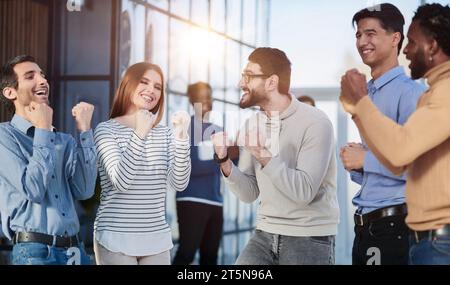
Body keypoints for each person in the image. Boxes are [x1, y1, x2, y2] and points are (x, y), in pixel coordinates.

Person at [340, 3, 450, 265]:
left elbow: (411, 161)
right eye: (358, 35)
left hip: (395, 226)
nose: (362, 41)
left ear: (395, 39)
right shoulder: (369, 93)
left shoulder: (412, 93)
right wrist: (357, 164)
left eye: (370, 33)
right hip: (369, 225)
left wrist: (364, 159)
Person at [211, 47, 339, 265]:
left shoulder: (316, 123)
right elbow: (250, 192)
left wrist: (263, 154)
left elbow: (303, 192)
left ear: (271, 82)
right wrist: (225, 163)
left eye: (249, 76)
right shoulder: (253, 123)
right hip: (265, 232)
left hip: (308, 236)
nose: (241, 83)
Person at [0, 55, 96, 265]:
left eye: (42, 75)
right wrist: (43, 128)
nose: (43, 81)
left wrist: (85, 131)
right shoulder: (4, 137)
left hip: (76, 252)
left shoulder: (64, 141)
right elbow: (33, 188)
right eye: (30, 76)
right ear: (10, 92)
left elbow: (85, 190)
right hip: (35, 253)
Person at [93, 62, 191, 265]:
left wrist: (181, 138)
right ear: (128, 84)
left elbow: (179, 183)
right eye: (144, 82)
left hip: (157, 241)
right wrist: (140, 133)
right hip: (115, 238)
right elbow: (121, 181)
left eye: (157, 87)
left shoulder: (164, 133)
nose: (151, 90)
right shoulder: (106, 130)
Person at [172, 82, 223, 265]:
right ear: (192, 101)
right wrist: (221, 159)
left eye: (209, 97)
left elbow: (227, 168)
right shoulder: (185, 129)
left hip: (216, 202)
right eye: (201, 98)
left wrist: (239, 154)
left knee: (210, 258)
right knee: (186, 254)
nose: (207, 101)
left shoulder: (218, 130)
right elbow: (190, 167)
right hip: (191, 200)